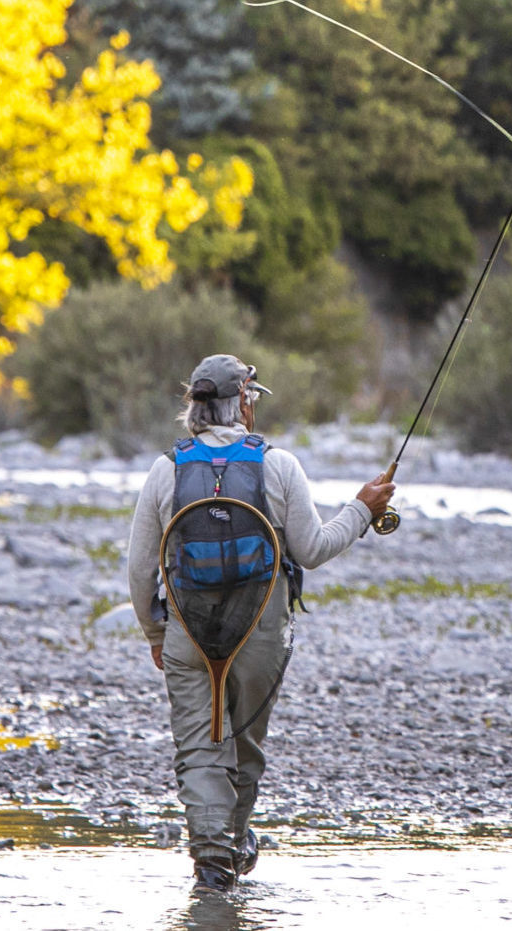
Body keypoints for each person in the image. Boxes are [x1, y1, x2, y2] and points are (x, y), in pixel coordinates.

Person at [125, 354, 395, 890]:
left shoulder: (166, 469)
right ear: (244, 402)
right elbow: (313, 550)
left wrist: (157, 635)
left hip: (187, 631)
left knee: (200, 746)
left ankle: (211, 863)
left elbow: (139, 571)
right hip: (261, 632)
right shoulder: (279, 465)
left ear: (195, 408)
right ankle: (232, 842)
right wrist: (362, 509)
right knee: (243, 739)